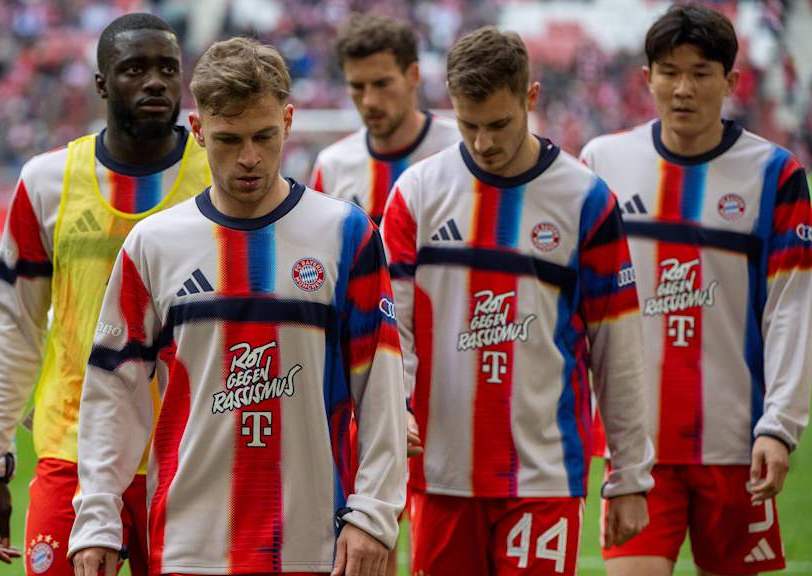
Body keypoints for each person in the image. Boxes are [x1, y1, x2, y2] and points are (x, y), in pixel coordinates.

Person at [68, 37, 406, 576]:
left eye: (264, 136)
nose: (249, 157)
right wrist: (97, 519)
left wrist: (373, 512)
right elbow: (113, 391)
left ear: (288, 122)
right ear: (198, 129)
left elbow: (381, 388)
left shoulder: (347, 235)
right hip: (189, 547)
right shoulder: (153, 244)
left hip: (315, 543)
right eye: (228, 139)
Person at [381, 26, 654, 575]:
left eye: (499, 124)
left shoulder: (585, 199)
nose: (483, 143)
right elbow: (393, 332)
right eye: (469, 125)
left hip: (543, 475)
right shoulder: (417, 193)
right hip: (440, 473)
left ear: (531, 97)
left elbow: (617, 345)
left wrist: (630, 475)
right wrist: (399, 408)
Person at [0, 13, 210, 576]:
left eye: (167, 69)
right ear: (102, 83)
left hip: (189, 450)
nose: (155, 82)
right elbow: (15, 328)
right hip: (72, 447)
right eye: (135, 69)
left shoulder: (220, 175)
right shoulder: (46, 181)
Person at [580, 5, 811, 575]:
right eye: (669, 71)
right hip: (637, 448)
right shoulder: (602, 163)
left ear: (731, 82)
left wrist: (779, 425)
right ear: (647, 78)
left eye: (701, 73)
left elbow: (792, 309)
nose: (683, 88)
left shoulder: (774, 175)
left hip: (736, 445)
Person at [310, 13, 461, 225]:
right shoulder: (332, 167)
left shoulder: (460, 148)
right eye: (357, 86)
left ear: (414, 75)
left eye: (382, 84)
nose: (369, 101)